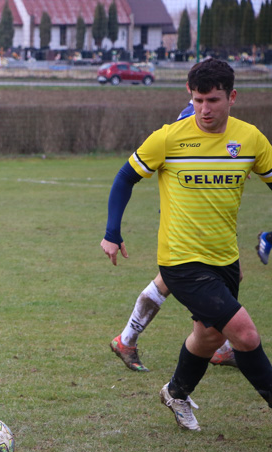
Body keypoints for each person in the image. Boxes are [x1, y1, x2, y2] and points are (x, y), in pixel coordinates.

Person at [100, 58, 272, 431]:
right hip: (181, 261)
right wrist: (112, 231)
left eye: (212, 100)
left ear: (232, 97)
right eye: (197, 100)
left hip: (224, 259)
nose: (204, 110)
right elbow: (124, 178)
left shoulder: (250, 139)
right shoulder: (169, 137)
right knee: (244, 333)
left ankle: (176, 393)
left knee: (208, 336)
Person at [110, 98, 237, 372]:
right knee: (192, 279)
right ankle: (128, 340)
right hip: (187, 217)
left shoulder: (214, 116)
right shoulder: (192, 117)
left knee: (214, 277)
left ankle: (220, 347)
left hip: (209, 219)